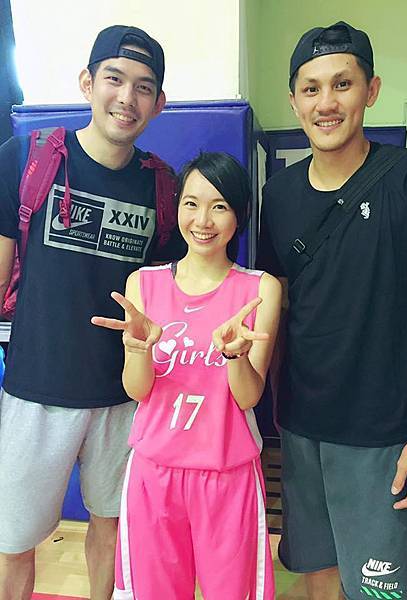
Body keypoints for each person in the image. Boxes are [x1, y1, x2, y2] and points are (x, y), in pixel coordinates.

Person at [256, 20, 407, 600]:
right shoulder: (279, 195)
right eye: (311, 88)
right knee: (317, 573)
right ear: (294, 100)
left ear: (372, 90)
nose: (326, 103)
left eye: (342, 84)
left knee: (380, 590)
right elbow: (277, 310)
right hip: (300, 426)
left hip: (383, 432)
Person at [0, 25, 183, 600]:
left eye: (144, 87)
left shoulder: (162, 187)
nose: (127, 98)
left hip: (124, 399)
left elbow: (170, 297)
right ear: (87, 82)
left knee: (113, 530)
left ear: (159, 103)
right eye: (114, 79)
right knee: (12, 543)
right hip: (34, 393)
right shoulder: (27, 159)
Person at [92, 152, 282, 599]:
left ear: (239, 214)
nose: (203, 220)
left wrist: (235, 356)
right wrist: (137, 349)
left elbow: (248, 397)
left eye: (219, 206)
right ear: (176, 207)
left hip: (228, 475)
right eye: (191, 203)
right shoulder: (144, 283)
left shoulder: (259, 289)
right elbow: (138, 390)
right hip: (154, 474)